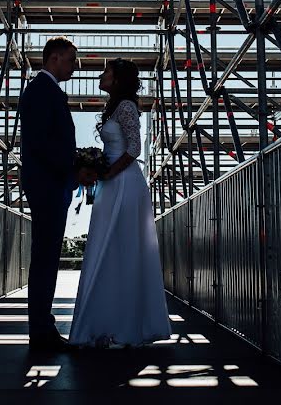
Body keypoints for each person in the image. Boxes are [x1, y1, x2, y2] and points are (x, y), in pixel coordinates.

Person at [69, 58, 171, 348]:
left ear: (117, 79)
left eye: (106, 72)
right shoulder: (114, 107)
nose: (101, 75)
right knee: (107, 247)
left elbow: (135, 148)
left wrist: (107, 171)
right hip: (112, 182)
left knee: (123, 248)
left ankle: (124, 325)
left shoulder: (126, 107)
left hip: (125, 183)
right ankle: (107, 322)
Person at [19, 36, 96, 352]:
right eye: (71, 59)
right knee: (45, 259)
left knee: (47, 257)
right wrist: (73, 166)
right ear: (54, 59)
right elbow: (41, 143)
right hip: (48, 183)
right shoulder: (41, 91)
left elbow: (45, 141)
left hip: (50, 182)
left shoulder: (43, 91)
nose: (74, 66)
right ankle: (41, 329)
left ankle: (42, 327)